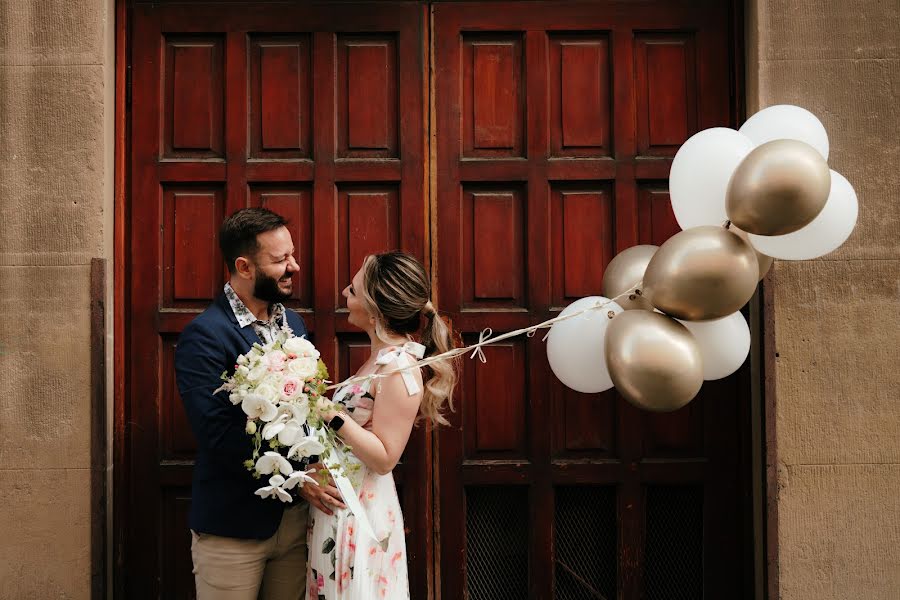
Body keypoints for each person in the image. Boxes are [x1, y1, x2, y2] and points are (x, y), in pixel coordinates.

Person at [175, 207, 345, 600]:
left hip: (293, 525)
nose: (294, 267)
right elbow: (216, 434)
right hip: (233, 528)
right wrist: (298, 481)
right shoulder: (205, 336)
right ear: (244, 267)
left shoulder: (294, 325)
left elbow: (306, 410)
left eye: (292, 254)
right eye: (280, 260)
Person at [306, 251, 457, 599]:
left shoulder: (400, 368)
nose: (345, 292)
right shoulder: (378, 360)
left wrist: (330, 413)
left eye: (354, 290)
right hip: (339, 507)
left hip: (363, 510)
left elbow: (386, 456)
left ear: (374, 310)